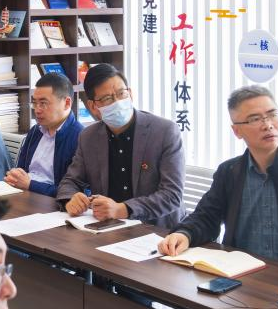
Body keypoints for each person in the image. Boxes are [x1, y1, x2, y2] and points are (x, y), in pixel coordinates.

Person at [157, 85, 278, 273]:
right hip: (242, 275)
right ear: (237, 131)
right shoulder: (229, 172)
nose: (268, 125)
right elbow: (206, 217)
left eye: (273, 114)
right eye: (255, 119)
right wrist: (185, 234)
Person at [56, 63, 185, 229]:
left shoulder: (164, 132)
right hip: (107, 228)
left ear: (130, 93)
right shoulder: (88, 137)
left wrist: (122, 209)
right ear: (93, 107)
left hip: (159, 230)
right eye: (107, 98)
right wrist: (71, 199)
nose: (117, 102)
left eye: (121, 93)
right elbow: (71, 181)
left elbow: (172, 195)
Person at [3, 72, 83, 197]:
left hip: (53, 203)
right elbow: (21, 170)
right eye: (34, 103)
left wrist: (31, 185)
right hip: (24, 194)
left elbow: (75, 193)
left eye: (43, 103)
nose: (37, 110)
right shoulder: (35, 131)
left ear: (67, 103)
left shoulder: (81, 138)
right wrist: (14, 176)